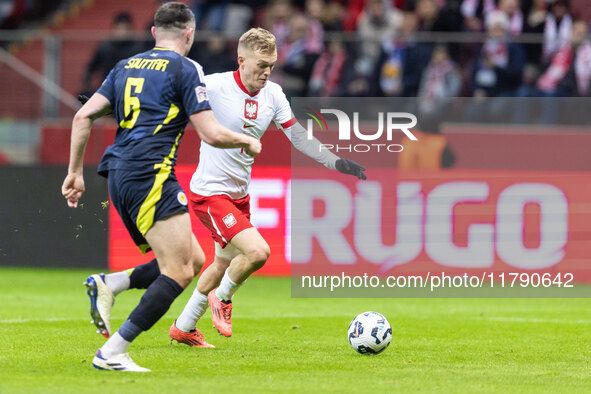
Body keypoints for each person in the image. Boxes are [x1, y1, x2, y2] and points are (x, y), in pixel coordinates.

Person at [83, 27, 366, 348]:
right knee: (258, 253)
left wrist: (337, 161)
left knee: (220, 263)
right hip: (209, 192)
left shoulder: (273, 94)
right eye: (260, 65)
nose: (266, 72)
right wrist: (106, 104)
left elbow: (298, 137)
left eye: (271, 65)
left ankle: (185, 326)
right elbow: (160, 96)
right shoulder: (213, 85)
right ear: (241, 60)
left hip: (238, 195)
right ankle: (223, 297)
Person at [61, 2, 261, 372]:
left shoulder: (126, 66)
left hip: (118, 173)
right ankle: (113, 352)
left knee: (196, 260)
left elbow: (84, 114)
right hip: (149, 174)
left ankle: (111, 284)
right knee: (181, 271)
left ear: (154, 33)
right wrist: (246, 141)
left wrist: (75, 173)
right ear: (190, 34)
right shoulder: (185, 69)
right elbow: (212, 135)